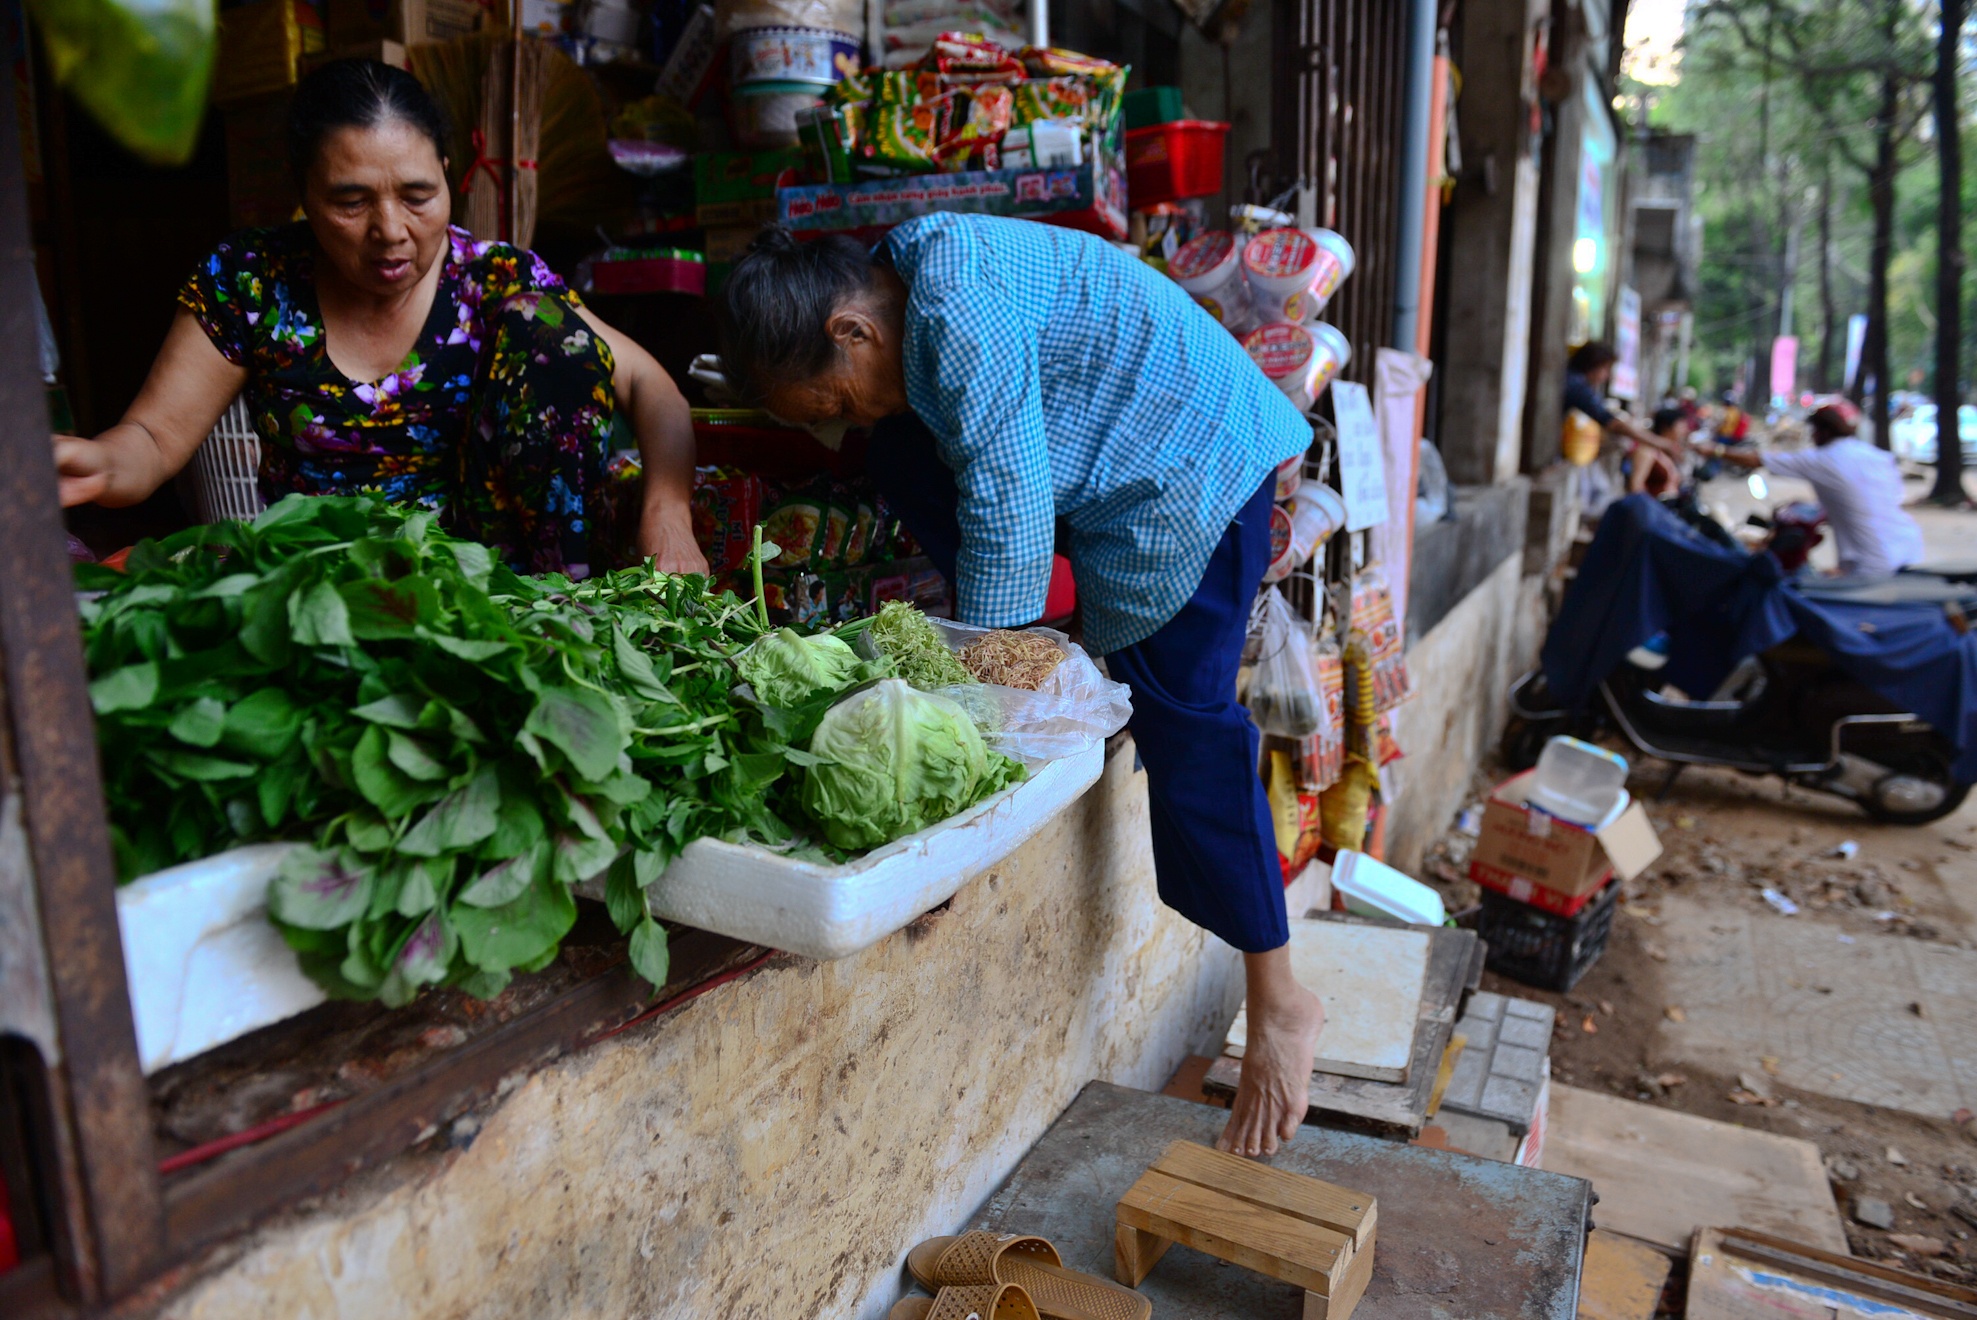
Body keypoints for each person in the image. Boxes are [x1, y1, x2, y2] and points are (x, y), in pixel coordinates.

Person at [716, 216, 1326, 1158]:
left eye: (830, 396)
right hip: (1133, 443)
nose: (839, 415)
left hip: (1193, 462)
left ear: (852, 330)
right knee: (893, 450)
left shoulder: (957, 309)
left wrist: (981, 695)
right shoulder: (904, 281)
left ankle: (1278, 994)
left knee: (1184, 721)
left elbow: (1008, 508)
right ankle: (1053, 640)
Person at [53, 59, 706, 577]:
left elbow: (653, 388)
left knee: (553, 334)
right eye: (350, 202)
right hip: (322, 585)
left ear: (446, 175)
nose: (390, 230)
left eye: (418, 196)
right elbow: (155, 438)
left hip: (496, 584)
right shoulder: (253, 280)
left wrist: (668, 513)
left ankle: (566, 603)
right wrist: (101, 464)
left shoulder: (495, 279)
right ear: (302, 193)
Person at [1706, 402, 1924, 576]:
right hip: (1909, 546)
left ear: (1823, 431)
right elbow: (1872, 498)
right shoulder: (1877, 456)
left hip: (1872, 563)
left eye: (1813, 430)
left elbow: (1757, 460)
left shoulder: (1823, 459)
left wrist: (1713, 451)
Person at [1564, 341, 1684, 469]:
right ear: (1593, 365)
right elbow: (1612, 422)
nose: (1607, 376)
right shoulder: (1577, 386)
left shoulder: (1573, 380)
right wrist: (1659, 443)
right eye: (1605, 369)